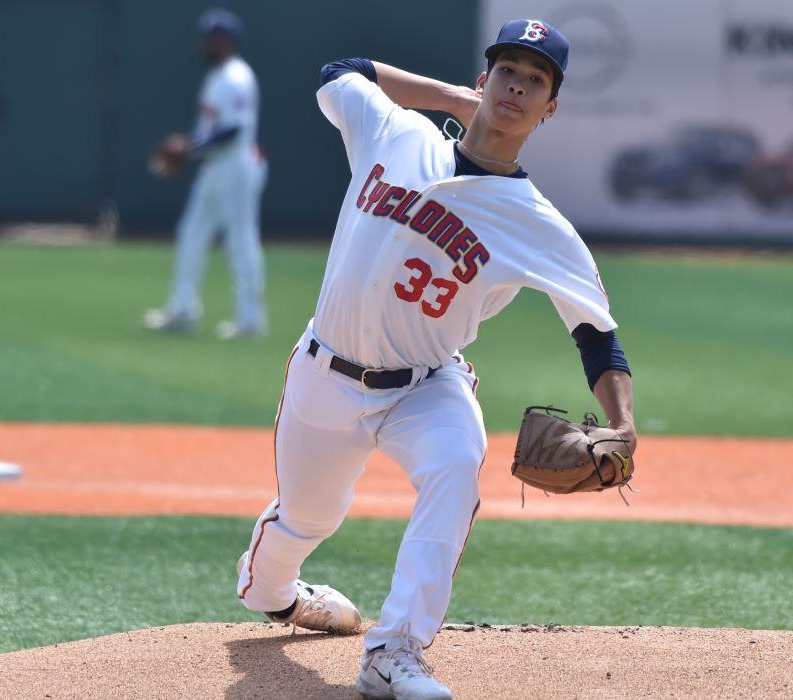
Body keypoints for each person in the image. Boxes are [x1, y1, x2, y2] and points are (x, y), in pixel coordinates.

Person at [234, 19, 637, 699]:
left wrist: (622, 421)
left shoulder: (538, 224)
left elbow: (596, 333)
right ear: (484, 80)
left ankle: (393, 651)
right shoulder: (397, 135)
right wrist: (452, 101)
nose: (517, 86)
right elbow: (343, 70)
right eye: (507, 71)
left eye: (535, 80)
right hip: (323, 376)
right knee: (308, 519)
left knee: (455, 463)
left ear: (550, 108)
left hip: (424, 386)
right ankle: (273, 593)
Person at [144, 8, 268, 340]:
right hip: (216, 165)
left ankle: (250, 319)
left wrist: (188, 147)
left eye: (211, 38)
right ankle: (182, 309)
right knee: (191, 232)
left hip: (238, 165)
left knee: (240, 239)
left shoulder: (236, 77)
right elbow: (213, 132)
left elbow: (233, 130)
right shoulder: (217, 76)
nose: (204, 44)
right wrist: (192, 148)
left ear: (225, 41)